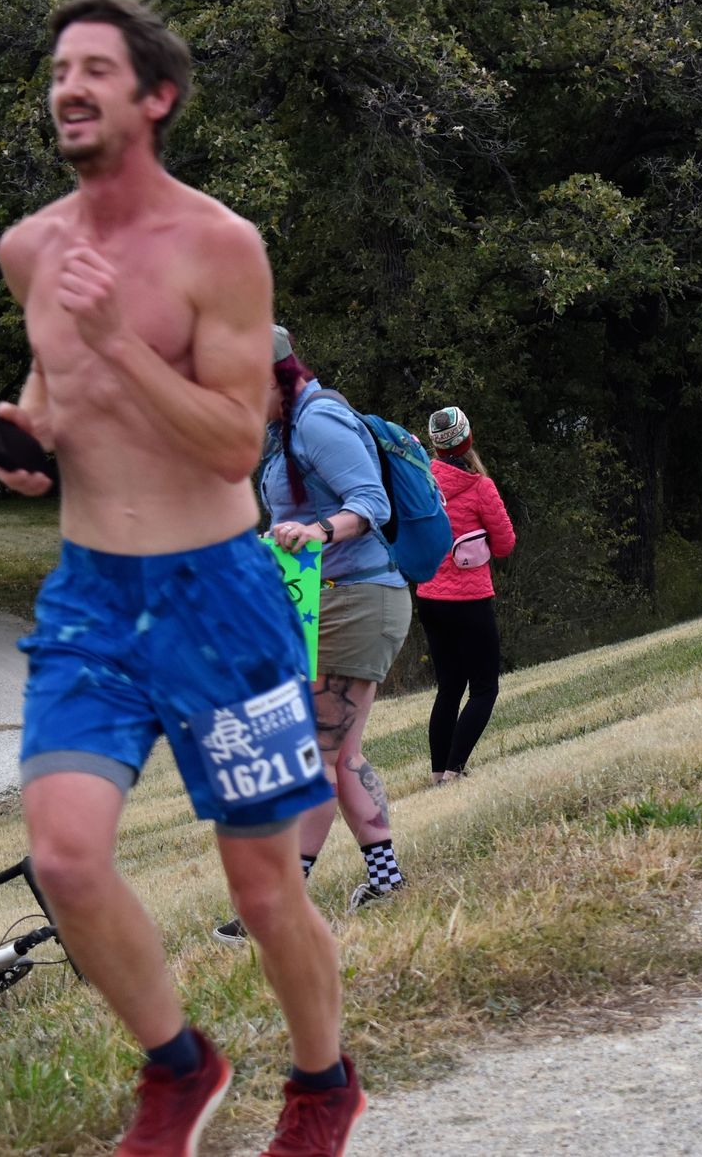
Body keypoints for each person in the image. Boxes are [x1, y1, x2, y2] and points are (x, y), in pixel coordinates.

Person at [0, 0, 362, 1157]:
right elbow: (56, 392)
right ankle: (179, 1066)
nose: (69, 89)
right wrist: (29, 437)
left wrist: (115, 345)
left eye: (95, 71)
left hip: (219, 600)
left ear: (156, 98)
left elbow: (234, 443)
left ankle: (322, 1088)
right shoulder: (31, 250)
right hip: (92, 598)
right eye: (59, 71)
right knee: (63, 858)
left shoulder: (218, 247)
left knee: (262, 889)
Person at [215, 323, 413, 948]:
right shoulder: (287, 430)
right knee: (341, 754)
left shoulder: (319, 420)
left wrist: (320, 532)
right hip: (328, 602)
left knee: (316, 758)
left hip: (356, 602)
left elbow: (372, 503)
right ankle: (386, 882)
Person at [415, 407, 518, 783]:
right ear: (468, 439)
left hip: (429, 597)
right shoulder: (480, 486)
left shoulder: (421, 483)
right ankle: (454, 771)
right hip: (470, 600)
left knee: (449, 688)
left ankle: (437, 774)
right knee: (484, 688)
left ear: (436, 446)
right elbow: (505, 544)